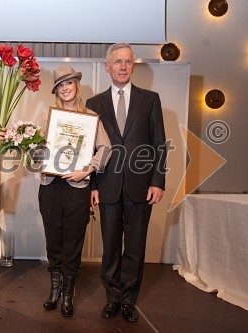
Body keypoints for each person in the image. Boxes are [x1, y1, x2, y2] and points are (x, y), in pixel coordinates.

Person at [86, 43, 167, 322]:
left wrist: (158, 181)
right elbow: (91, 150)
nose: (123, 66)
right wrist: (92, 185)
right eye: (117, 62)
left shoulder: (150, 99)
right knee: (109, 246)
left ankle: (129, 299)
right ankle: (112, 298)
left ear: (133, 66)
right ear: (107, 66)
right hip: (106, 184)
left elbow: (159, 144)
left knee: (135, 245)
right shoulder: (94, 104)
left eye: (128, 62)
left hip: (140, 186)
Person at [39, 66, 111, 317]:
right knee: (53, 240)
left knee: (73, 242)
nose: (65, 88)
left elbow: (105, 148)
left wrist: (88, 170)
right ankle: (55, 290)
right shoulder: (47, 115)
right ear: (56, 90)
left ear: (76, 86)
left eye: (68, 83)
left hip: (77, 187)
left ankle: (68, 294)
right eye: (60, 85)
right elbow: (36, 147)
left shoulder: (91, 117)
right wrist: (35, 152)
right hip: (50, 185)